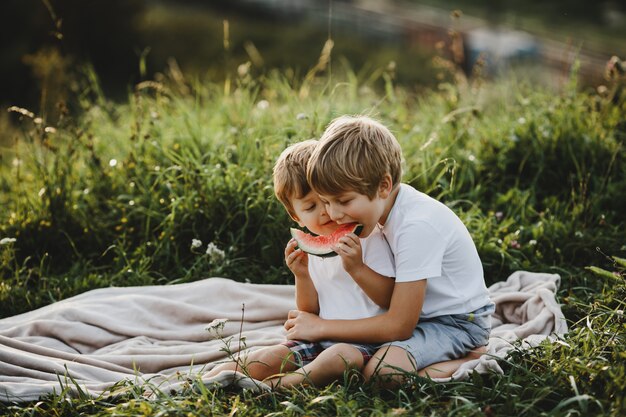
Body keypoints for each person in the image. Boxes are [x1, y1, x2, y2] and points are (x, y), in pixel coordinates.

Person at [284, 115, 495, 386]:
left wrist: (320, 327)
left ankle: (475, 360)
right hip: (422, 317)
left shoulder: (416, 226)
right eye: (326, 202)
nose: (334, 214)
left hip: (455, 323)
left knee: (383, 373)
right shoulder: (384, 213)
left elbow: (399, 325)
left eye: (344, 201)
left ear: (383, 186)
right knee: (373, 370)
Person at [204, 139, 396, 389]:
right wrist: (302, 275)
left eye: (329, 200)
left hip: (365, 343)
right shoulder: (310, 250)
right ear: (296, 216)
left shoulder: (371, 238)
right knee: (267, 357)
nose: (326, 212)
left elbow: (389, 298)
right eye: (310, 206)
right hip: (318, 338)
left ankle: (274, 388)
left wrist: (357, 268)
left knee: (340, 359)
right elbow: (309, 310)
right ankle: (205, 380)